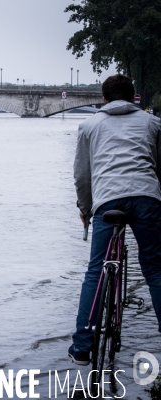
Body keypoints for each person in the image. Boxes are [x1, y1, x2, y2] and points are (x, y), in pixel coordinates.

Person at [70, 74, 161, 365]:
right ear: (135, 96)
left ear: (104, 98)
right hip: (147, 198)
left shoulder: (89, 126)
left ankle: (83, 346)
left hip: (107, 200)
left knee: (96, 270)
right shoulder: (152, 123)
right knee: (155, 267)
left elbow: (82, 176)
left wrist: (86, 209)